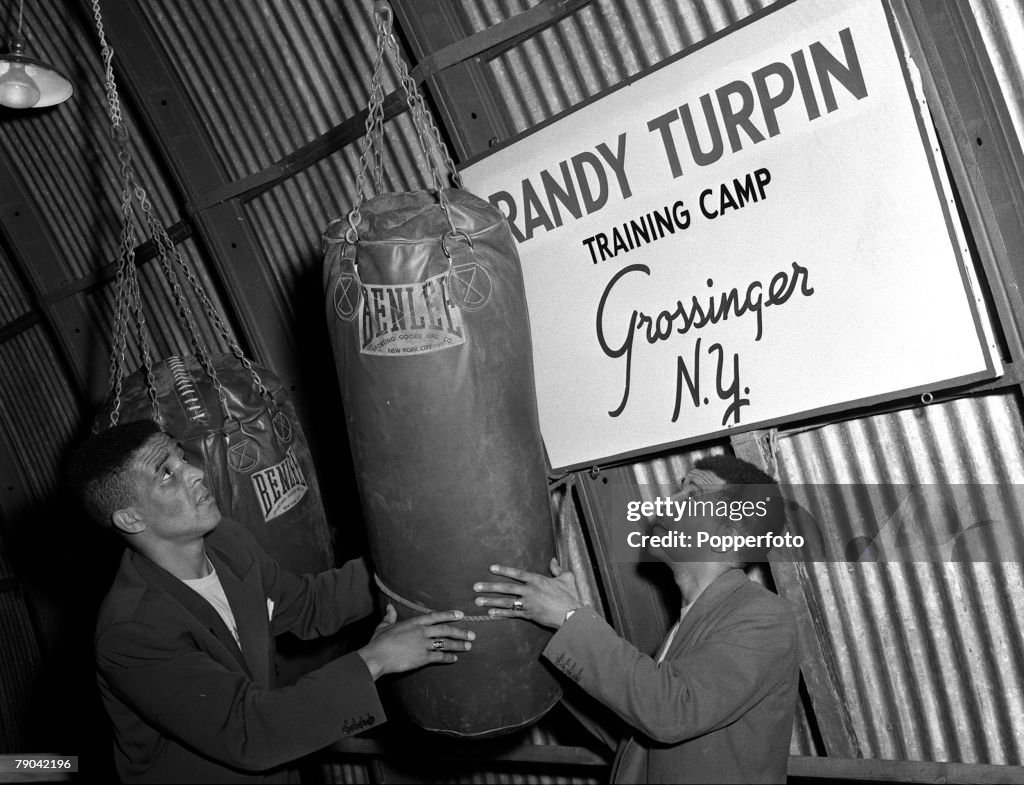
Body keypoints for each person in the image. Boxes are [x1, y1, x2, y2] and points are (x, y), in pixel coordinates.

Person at [66, 419, 474, 784]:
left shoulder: (227, 542)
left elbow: (309, 605)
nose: (195, 472)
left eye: (181, 457)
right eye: (166, 474)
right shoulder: (131, 632)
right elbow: (252, 731)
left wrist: (407, 559)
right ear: (131, 519)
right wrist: (377, 659)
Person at [474, 454, 799, 784]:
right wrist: (548, 632)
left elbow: (670, 712)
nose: (668, 502)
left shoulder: (765, 616)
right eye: (678, 490)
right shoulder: (690, 624)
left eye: (695, 494)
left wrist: (571, 618)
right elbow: (637, 739)